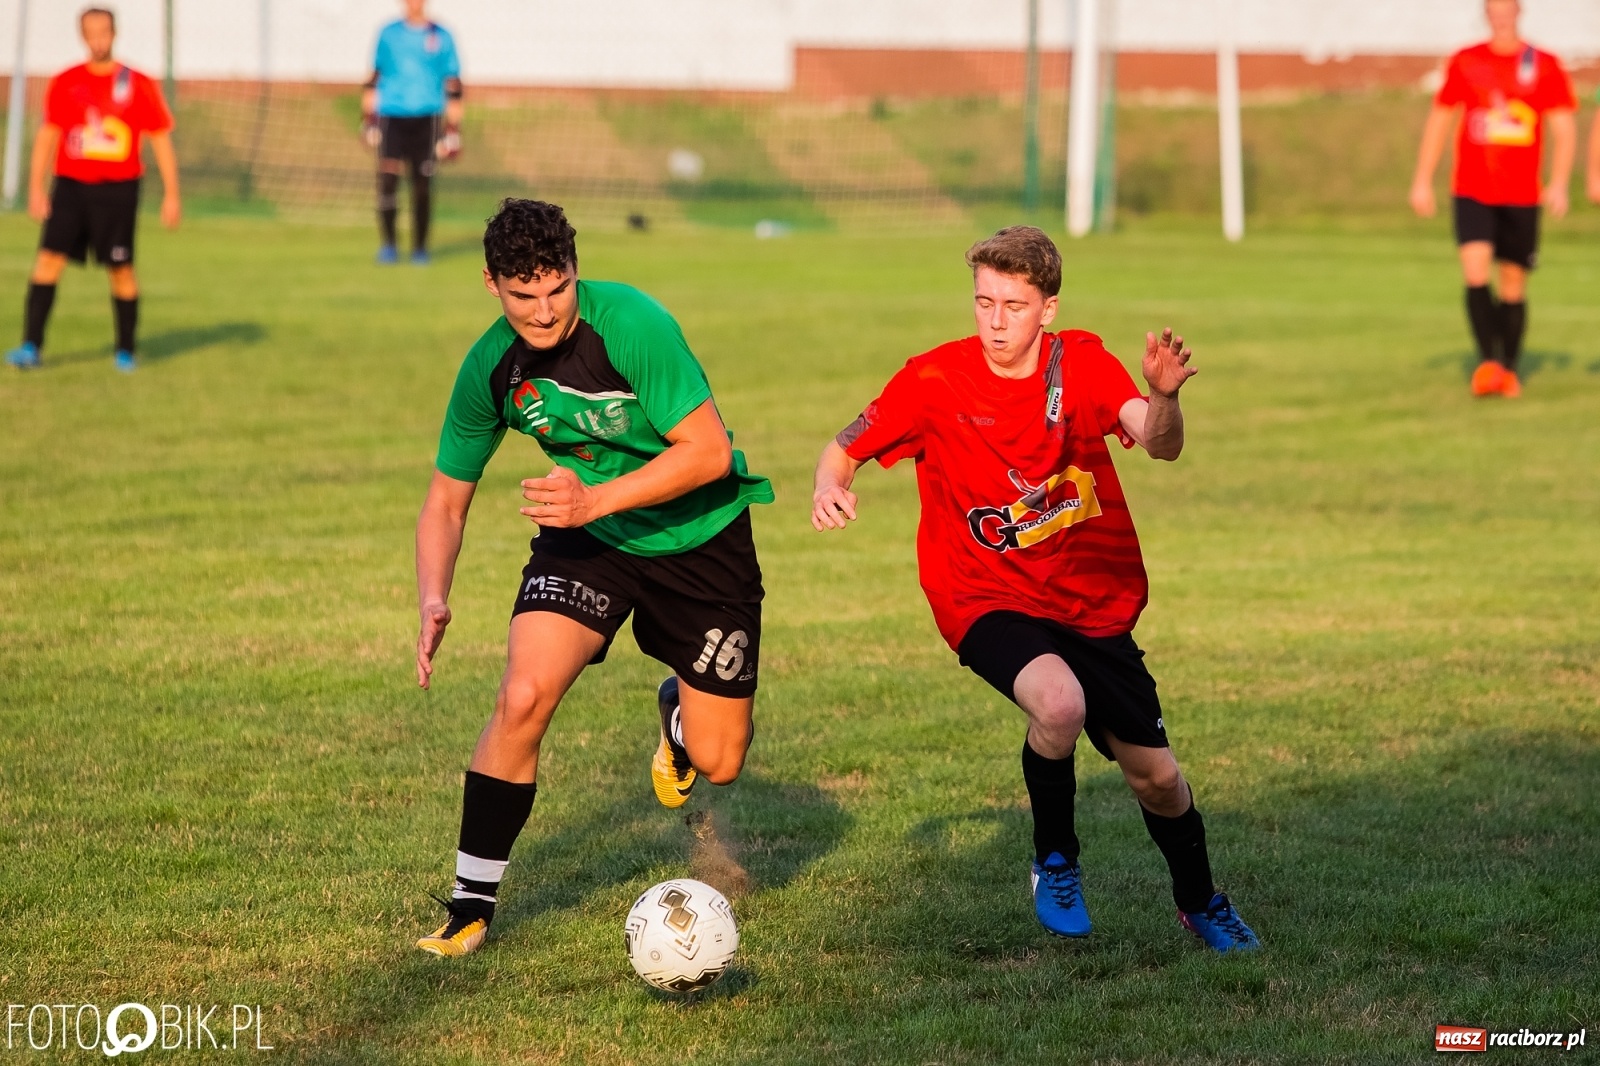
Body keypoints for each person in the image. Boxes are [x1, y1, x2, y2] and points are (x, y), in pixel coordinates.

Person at [811, 226, 1259, 953]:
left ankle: (1201, 902)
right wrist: (829, 487)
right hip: (980, 594)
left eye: (1013, 306)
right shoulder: (933, 379)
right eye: (983, 302)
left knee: (1158, 780)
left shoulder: (1081, 364)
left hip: (1090, 602)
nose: (994, 322)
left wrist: (1162, 395)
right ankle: (1056, 861)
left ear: (1048, 308)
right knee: (1058, 703)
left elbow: (1160, 442)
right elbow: (843, 448)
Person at [413, 199, 774, 956]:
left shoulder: (633, 324)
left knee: (721, 760)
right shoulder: (491, 369)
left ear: (577, 270)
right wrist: (433, 595)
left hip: (700, 537)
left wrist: (594, 500)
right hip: (589, 541)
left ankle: (680, 720)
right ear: (492, 284)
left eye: (559, 288)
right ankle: (470, 907)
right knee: (522, 695)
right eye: (524, 294)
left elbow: (708, 453)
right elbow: (446, 498)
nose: (545, 312)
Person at [1410, 0, 1575, 399]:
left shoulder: (1543, 64)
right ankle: (1487, 363)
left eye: (1507, 8)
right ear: (1485, 13)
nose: (1501, 16)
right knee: (1475, 271)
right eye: (1493, 9)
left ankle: (1509, 367)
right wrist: (1422, 179)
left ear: (1519, 11)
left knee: (1513, 285)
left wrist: (1558, 182)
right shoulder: (1467, 61)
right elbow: (1440, 119)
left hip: (1522, 193)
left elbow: (1564, 127)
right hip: (1472, 188)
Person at [5, 7, 179, 373]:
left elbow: (160, 137)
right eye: (91, 33)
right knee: (48, 261)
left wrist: (172, 194)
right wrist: (35, 187)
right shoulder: (67, 81)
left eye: (104, 32)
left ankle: (126, 351)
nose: (98, 40)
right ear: (82, 36)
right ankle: (31, 346)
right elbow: (48, 135)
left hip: (118, 191)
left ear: (114, 33)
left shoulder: (137, 82)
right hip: (70, 188)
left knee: (121, 269)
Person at [362, 0, 462, 265]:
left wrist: (453, 129)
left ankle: (420, 248)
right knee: (387, 180)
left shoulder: (441, 35)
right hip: (392, 116)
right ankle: (389, 246)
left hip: (427, 118)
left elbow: (453, 83)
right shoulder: (388, 33)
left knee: (421, 185)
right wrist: (369, 119)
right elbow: (374, 76)